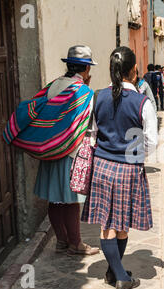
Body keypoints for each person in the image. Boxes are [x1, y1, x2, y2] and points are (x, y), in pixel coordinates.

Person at [7, 46, 101, 257]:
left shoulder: (54, 85)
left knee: (55, 199)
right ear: (85, 69)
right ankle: (76, 243)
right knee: (70, 201)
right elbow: (89, 125)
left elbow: (43, 112)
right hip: (69, 153)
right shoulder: (83, 92)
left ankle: (61, 241)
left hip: (50, 150)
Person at [82, 46, 158, 289]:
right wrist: (135, 154)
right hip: (128, 168)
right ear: (134, 70)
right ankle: (122, 278)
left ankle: (113, 271)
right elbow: (151, 141)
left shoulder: (98, 96)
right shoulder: (142, 102)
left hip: (102, 166)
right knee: (121, 223)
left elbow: (93, 134)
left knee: (107, 225)